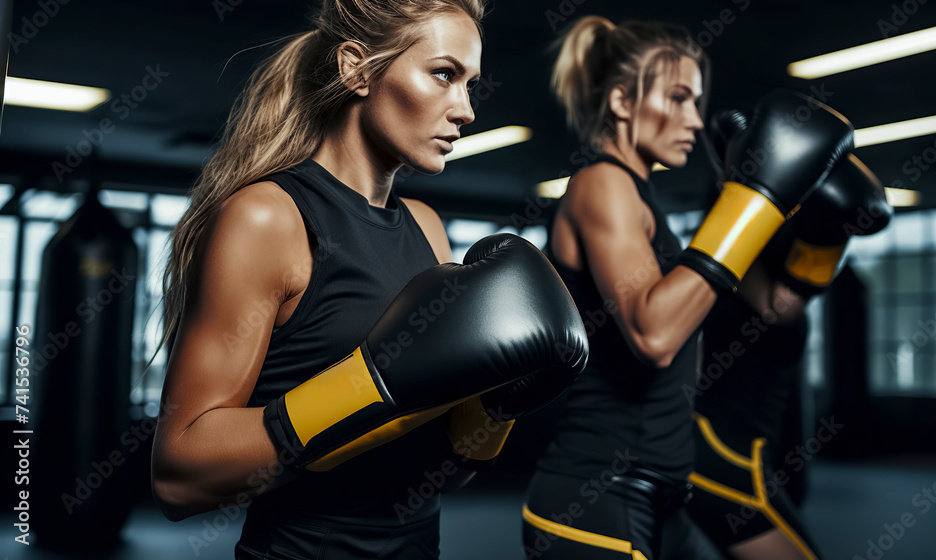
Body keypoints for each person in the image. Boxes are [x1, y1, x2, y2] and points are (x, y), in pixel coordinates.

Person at [149, 1, 589, 559]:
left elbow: (439, 477)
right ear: (356, 68)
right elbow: (178, 476)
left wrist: (494, 409)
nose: (467, 110)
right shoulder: (270, 217)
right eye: (444, 74)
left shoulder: (428, 230)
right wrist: (370, 386)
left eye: (470, 84)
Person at [521, 15, 854, 560]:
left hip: (667, 491)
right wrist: (755, 200)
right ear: (623, 102)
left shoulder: (647, 206)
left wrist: (820, 242)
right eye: (677, 98)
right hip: (597, 496)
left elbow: (768, 305)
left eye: (697, 102)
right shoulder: (601, 184)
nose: (695, 121)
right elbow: (653, 335)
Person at [686, 110, 893, 560]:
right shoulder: (740, 275)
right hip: (725, 455)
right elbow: (779, 304)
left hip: (743, 447)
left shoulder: (769, 273)